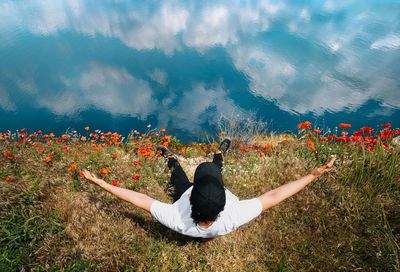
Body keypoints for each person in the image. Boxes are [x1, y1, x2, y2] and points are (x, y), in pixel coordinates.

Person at [82, 139, 336, 238]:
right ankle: (218, 154)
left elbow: (138, 199)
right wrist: (312, 175)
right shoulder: (234, 216)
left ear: (192, 200)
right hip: (207, 189)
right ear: (223, 204)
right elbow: (275, 196)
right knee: (215, 169)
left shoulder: (177, 219)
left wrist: (101, 182)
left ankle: (171, 157)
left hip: (186, 195)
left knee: (177, 174)